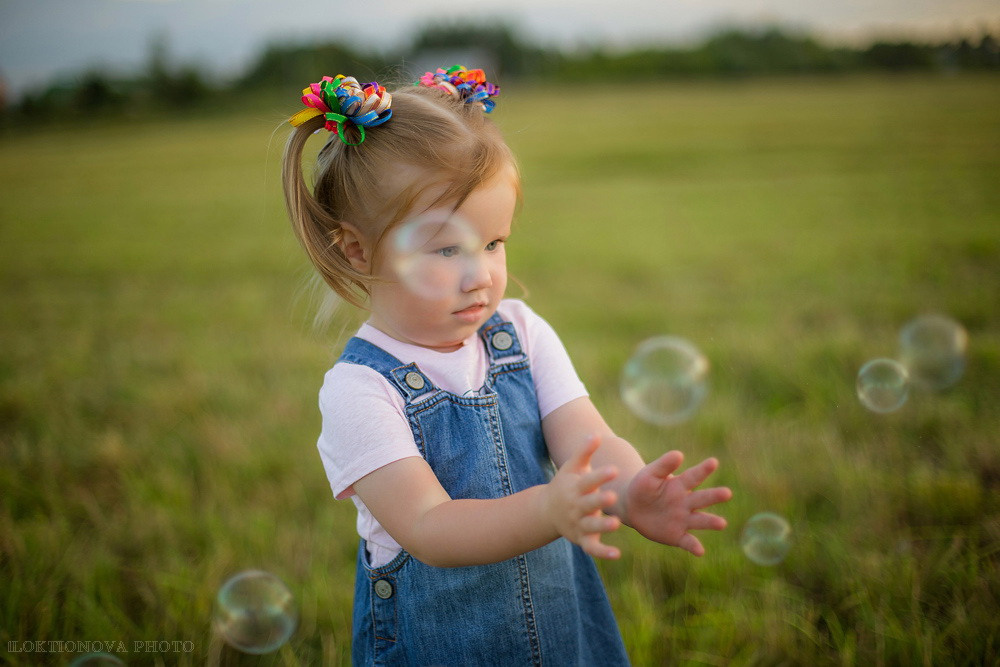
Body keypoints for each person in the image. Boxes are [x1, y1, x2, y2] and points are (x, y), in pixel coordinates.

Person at [281, 68, 733, 666]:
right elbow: (429, 527)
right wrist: (548, 508)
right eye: (446, 249)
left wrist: (628, 489)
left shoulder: (519, 332)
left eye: (494, 243)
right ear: (359, 249)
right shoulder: (360, 390)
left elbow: (587, 441)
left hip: (560, 638)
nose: (482, 275)